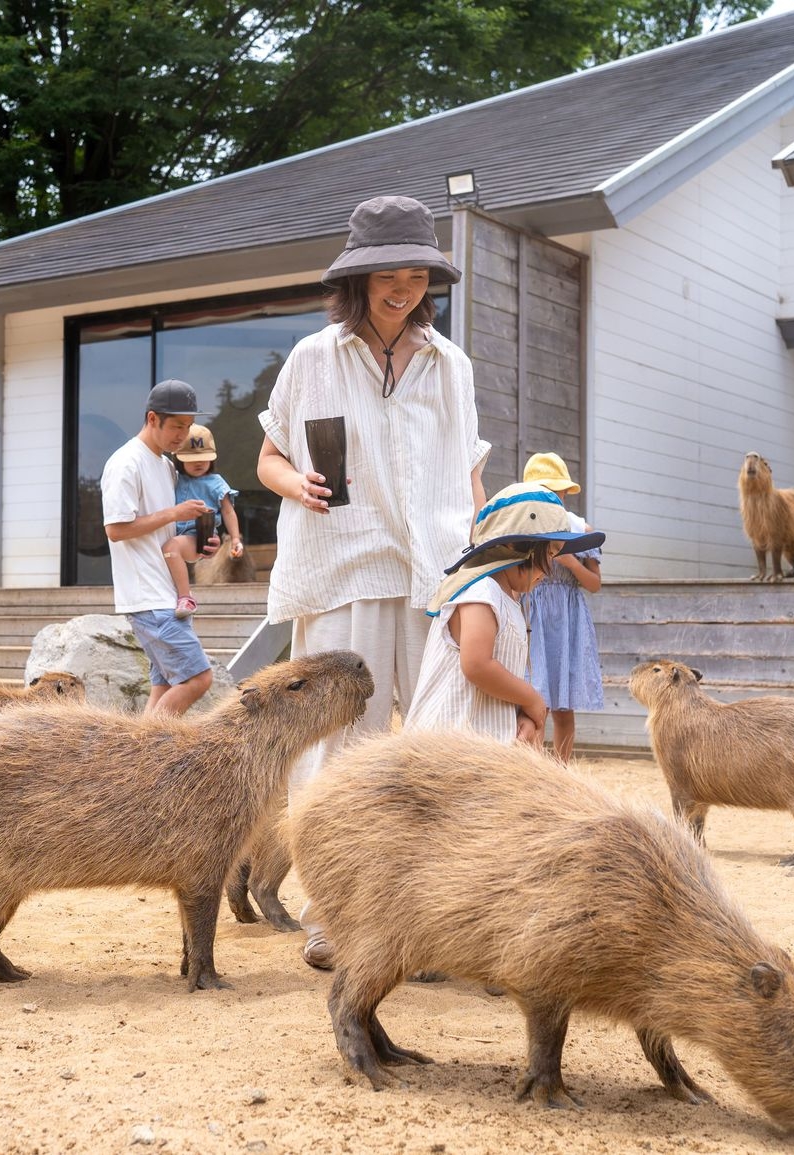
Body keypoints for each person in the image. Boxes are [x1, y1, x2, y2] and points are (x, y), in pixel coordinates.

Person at [256, 194, 489, 970]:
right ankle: (331, 914)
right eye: (385, 273)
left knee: (437, 747)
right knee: (334, 748)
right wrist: (294, 485)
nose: (402, 287)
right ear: (354, 281)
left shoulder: (449, 364)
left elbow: (469, 471)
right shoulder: (311, 358)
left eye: (415, 272)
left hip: (433, 570)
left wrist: (481, 572)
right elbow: (268, 457)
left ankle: (429, 919)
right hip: (344, 565)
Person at [407, 482, 604, 746]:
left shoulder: (508, 599)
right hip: (446, 747)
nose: (547, 573)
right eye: (551, 553)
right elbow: (478, 665)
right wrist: (532, 699)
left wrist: (517, 714)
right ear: (515, 547)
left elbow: (496, 680)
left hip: (480, 744)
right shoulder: (480, 592)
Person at [101, 379, 216, 715]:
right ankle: (150, 756)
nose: (182, 435)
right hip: (149, 598)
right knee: (198, 678)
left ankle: (137, 760)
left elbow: (165, 540)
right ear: (153, 419)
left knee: (164, 686)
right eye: (177, 426)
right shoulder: (126, 463)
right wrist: (174, 513)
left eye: (188, 426)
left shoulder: (166, 465)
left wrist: (199, 548)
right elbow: (116, 529)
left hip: (166, 596)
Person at [522, 452, 605, 763]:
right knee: (534, 698)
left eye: (556, 492)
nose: (552, 498)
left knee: (563, 704)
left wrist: (570, 562)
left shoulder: (580, 529)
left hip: (566, 620)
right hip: (533, 616)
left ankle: (561, 772)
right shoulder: (523, 527)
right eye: (544, 491)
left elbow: (595, 583)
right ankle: (531, 770)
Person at [163, 423, 243, 618]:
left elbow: (228, 511)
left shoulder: (215, 482)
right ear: (179, 459)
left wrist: (235, 539)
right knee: (167, 550)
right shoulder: (174, 478)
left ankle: (186, 597)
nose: (198, 464)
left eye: (204, 458)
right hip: (174, 531)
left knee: (171, 548)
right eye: (192, 460)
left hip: (198, 535)